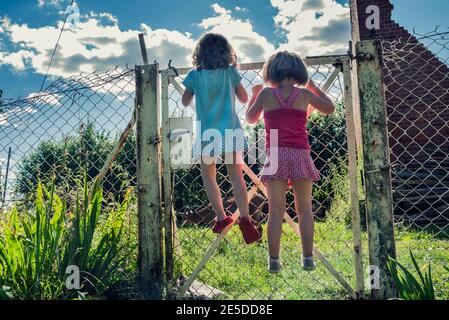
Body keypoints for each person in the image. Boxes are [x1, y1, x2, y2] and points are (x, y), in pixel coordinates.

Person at [246, 51, 335, 272]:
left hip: (275, 153)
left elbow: (250, 118)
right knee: (305, 209)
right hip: (299, 153)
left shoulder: (266, 94)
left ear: (271, 70)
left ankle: (274, 261)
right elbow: (329, 108)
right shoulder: (304, 95)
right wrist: (312, 85)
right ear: (298, 71)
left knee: (275, 210)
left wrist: (254, 94)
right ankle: (307, 258)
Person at [181, 33, 260, 244]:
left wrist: (198, 95)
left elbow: (184, 100)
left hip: (207, 132)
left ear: (200, 54)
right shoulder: (230, 73)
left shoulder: (194, 76)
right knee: (236, 176)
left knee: (209, 176)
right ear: (227, 53)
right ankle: (244, 217)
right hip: (230, 130)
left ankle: (221, 216)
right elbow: (243, 98)